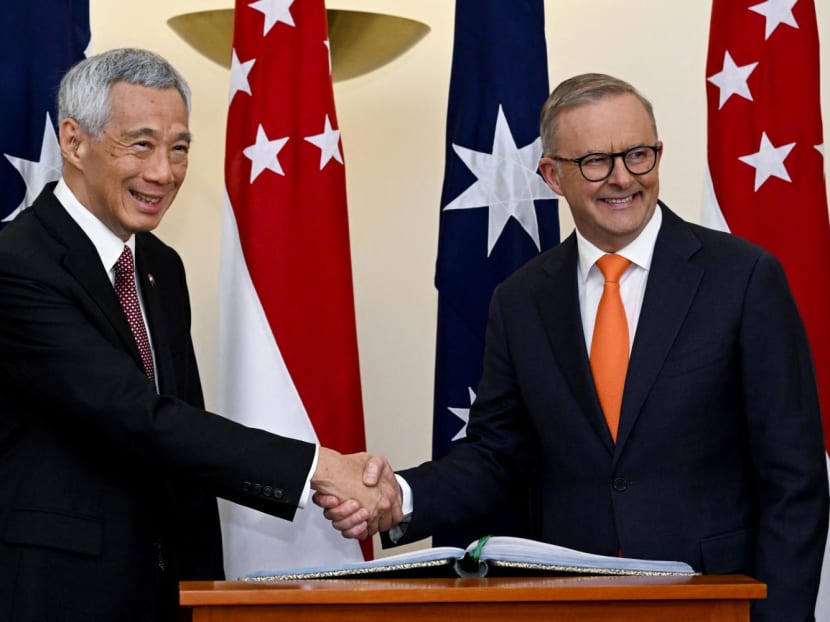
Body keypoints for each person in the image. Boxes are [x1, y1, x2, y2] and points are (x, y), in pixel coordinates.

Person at [319, 73, 829, 621]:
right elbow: (495, 456)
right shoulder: (520, 300)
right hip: (569, 601)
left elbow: (795, 479)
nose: (622, 179)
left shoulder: (744, 277)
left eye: (638, 155)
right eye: (595, 162)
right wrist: (398, 494)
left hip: (713, 601)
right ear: (552, 175)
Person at [0, 48, 400, 622]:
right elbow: (135, 415)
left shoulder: (161, 267)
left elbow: (180, 429)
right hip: (60, 592)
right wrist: (322, 469)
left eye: (179, 147)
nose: (163, 172)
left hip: (171, 588)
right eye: (140, 144)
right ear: (73, 141)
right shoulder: (18, 265)